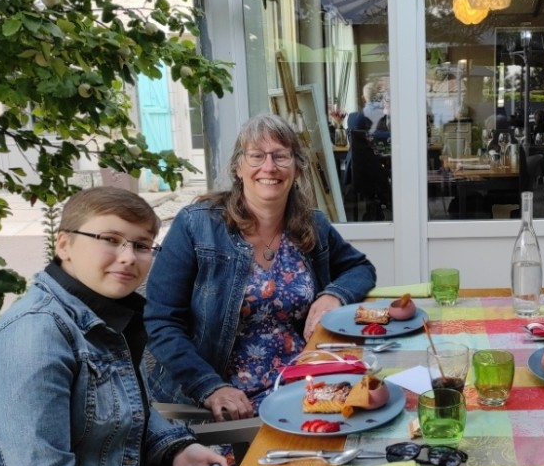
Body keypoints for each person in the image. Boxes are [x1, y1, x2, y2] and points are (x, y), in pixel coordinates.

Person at [0, 187, 241, 466]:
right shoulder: (33, 336)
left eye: (141, 246)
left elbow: (126, 406)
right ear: (64, 245)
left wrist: (174, 450)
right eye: (110, 239)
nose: (128, 257)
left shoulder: (101, 316)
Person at [145, 113, 377, 421]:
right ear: (238, 168)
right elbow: (161, 323)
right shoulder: (196, 225)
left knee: (374, 412)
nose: (269, 167)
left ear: (296, 168)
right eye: (256, 156)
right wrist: (210, 387)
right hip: (222, 406)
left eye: (281, 156)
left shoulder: (311, 224)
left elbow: (360, 268)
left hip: (300, 384)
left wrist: (333, 295)